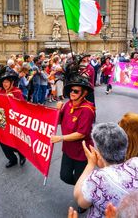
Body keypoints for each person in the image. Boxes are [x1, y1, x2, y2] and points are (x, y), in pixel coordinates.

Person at [74, 122, 138, 218]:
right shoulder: (136, 162)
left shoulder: (97, 178)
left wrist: (90, 164)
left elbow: (80, 201)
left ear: (99, 153)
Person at [51, 75, 95, 212]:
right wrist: (57, 110)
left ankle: (85, 201)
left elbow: (81, 134)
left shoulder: (88, 110)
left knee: (79, 179)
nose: (72, 93)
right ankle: (88, 189)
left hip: (83, 151)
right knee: (65, 176)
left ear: (84, 93)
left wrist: (61, 138)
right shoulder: (68, 104)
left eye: (76, 91)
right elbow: (58, 121)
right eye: (71, 90)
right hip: (68, 149)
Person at [0, 71, 26, 168]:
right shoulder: (0, 92)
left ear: (11, 83)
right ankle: (12, 159)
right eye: (3, 82)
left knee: (16, 141)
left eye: (7, 82)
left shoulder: (17, 92)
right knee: (2, 141)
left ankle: (22, 154)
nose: (5, 84)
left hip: (15, 121)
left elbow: (23, 106)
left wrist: (13, 99)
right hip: (3, 121)